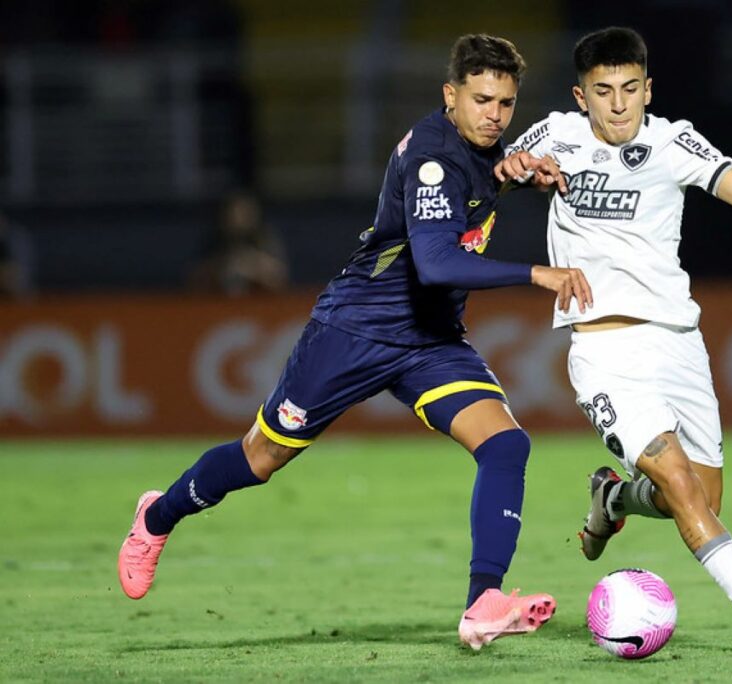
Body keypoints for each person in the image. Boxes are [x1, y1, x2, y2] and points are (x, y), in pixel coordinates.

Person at [119, 34, 591, 651]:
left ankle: (483, 602)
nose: (493, 114)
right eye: (480, 99)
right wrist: (537, 273)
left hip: (429, 341)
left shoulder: (483, 151)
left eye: (504, 103)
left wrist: (518, 174)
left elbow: (477, 190)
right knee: (261, 458)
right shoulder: (432, 158)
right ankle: (157, 516)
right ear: (451, 96)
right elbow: (437, 264)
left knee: (505, 445)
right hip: (355, 330)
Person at [495, 27, 732, 655]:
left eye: (629, 90)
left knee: (698, 499)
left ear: (649, 89)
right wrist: (513, 169)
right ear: (580, 95)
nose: (618, 105)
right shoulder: (555, 133)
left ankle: (611, 498)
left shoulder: (672, 141)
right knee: (678, 481)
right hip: (604, 350)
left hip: (678, 344)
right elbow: (496, 172)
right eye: (603, 92)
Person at [188, 191, 288, 295]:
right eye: (234, 212)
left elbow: (281, 279)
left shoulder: (264, 238)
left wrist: (252, 266)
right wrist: (220, 266)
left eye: (245, 212)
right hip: (219, 304)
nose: (238, 218)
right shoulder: (215, 239)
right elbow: (194, 279)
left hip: (260, 303)